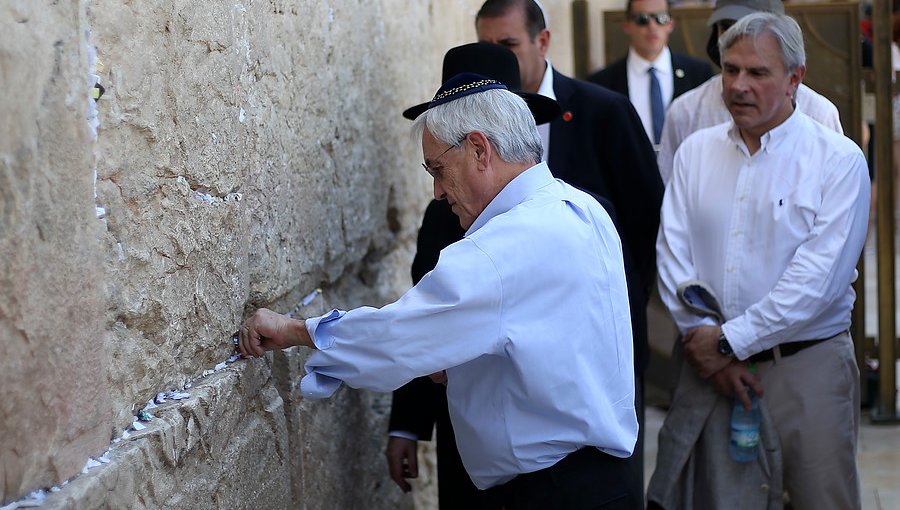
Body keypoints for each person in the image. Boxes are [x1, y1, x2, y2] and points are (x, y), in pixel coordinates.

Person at [238, 72, 640, 509]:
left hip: (552, 493)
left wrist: (296, 331)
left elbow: (399, 336)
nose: (437, 191)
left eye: (438, 170)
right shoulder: (581, 208)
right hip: (601, 483)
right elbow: (553, 343)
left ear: (479, 149)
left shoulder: (502, 247)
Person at [651, 12, 869, 509]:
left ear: (796, 78)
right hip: (710, 368)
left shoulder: (837, 160)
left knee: (818, 499)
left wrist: (727, 342)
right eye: (730, 70)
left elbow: (818, 280)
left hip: (804, 371)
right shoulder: (695, 153)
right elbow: (673, 255)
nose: (738, 86)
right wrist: (707, 343)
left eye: (757, 73)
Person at [474, 1, 662, 504]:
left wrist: (616, 305)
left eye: (508, 47)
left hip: (600, 353)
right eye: (486, 48)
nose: (498, 62)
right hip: (515, 369)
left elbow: (647, 224)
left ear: (542, 42)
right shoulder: (471, 134)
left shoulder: (604, 111)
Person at [388, 42, 562, 510]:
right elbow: (422, 316)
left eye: (441, 170)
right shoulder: (444, 214)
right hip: (467, 431)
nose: (440, 188)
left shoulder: (570, 213)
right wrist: (406, 424)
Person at [655, 0, 843, 184]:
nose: (738, 40)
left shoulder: (819, 114)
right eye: (727, 27)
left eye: (751, 29)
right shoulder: (686, 113)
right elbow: (668, 199)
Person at [587, 0, 712, 146]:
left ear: (670, 24)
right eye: (642, 19)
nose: (652, 26)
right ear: (626, 25)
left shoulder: (698, 73)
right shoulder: (602, 82)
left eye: (661, 18)